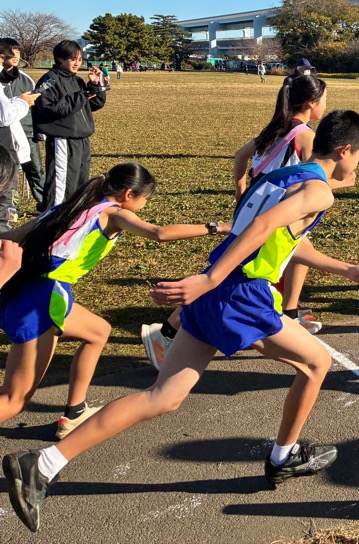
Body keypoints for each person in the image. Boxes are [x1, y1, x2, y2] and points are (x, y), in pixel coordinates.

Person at [2, 111, 359, 534]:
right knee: (317, 363)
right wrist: (210, 278)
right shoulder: (319, 193)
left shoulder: (283, 175)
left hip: (217, 291)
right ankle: (284, 456)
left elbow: (281, 235)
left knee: (163, 397)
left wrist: (348, 269)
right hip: (239, 292)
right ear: (345, 149)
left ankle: (42, 463)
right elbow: (261, 228)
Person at [0, 162, 230, 443]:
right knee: (14, 400)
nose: (146, 203)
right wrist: (218, 227)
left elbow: (10, 236)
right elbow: (159, 233)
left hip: (23, 290)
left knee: (98, 331)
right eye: (147, 197)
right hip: (44, 300)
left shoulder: (69, 207)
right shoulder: (113, 214)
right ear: (129, 194)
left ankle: (74, 412)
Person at [142, 75, 330, 363]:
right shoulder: (305, 135)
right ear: (311, 103)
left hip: (255, 207)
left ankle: (289, 314)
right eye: (324, 101)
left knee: (250, 269)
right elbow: (313, 175)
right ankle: (166, 333)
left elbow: (240, 156)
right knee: (239, 275)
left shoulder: (274, 130)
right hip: (279, 212)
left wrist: (240, 187)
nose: (325, 107)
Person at [32, 40, 107, 210]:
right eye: (72, 59)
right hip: (63, 139)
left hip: (82, 138)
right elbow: (47, 108)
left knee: (80, 183)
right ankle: (52, 219)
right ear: (60, 58)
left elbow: (95, 104)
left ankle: (72, 216)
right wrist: (80, 97)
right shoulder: (49, 80)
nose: (77, 63)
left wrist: (95, 85)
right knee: (61, 184)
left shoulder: (77, 80)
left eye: (80, 59)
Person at [0, 39, 42, 218]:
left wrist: (38, 131)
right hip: (5, 138)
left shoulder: (25, 79)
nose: (15, 56)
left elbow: (37, 106)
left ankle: (43, 203)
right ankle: (8, 215)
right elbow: (6, 115)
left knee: (35, 171)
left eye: (18, 52)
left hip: (26, 133)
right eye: (11, 53)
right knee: (7, 178)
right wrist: (20, 102)